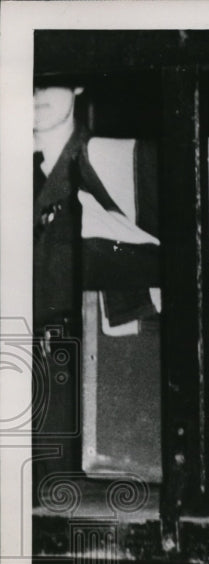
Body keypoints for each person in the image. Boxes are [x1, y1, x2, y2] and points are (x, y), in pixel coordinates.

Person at [32, 78, 90, 500]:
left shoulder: (107, 165)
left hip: (69, 378)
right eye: (26, 80)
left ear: (80, 82)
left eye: (49, 81)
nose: (34, 95)